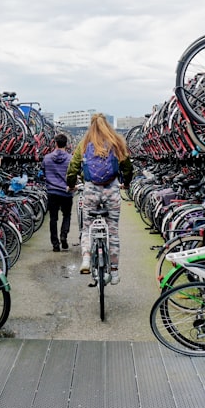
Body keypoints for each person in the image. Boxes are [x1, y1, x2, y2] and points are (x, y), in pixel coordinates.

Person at [66, 113, 133, 285]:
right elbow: (127, 167)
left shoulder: (85, 143)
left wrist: (71, 184)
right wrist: (125, 183)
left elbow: (73, 167)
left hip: (90, 189)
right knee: (113, 231)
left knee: (87, 227)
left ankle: (87, 258)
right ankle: (115, 272)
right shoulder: (116, 142)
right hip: (111, 190)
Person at [42, 133, 74, 252]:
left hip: (52, 192)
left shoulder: (47, 158)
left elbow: (44, 172)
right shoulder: (70, 158)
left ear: (55, 143)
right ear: (66, 144)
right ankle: (64, 236)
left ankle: (55, 244)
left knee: (53, 218)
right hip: (66, 192)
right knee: (66, 215)